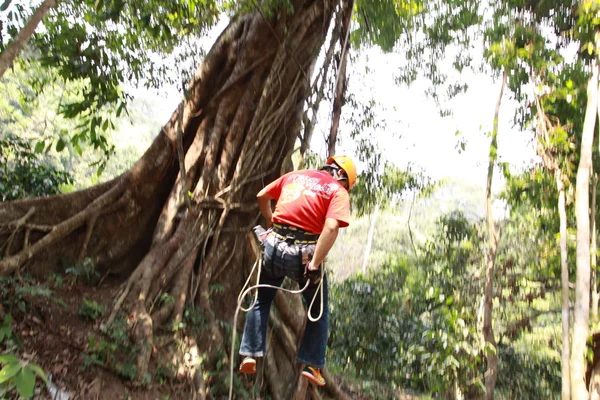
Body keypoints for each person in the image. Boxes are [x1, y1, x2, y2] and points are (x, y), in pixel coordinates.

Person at [238, 155, 357, 387]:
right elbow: (331, 227)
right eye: (347, 185)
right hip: (303, 257)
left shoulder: (297, 176)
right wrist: (314, 265)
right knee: (318, 308)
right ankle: (313, 364)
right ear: (342, 177)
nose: (345, 189)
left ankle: (250, 353)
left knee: (261, 299)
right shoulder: (337, 192)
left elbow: (262, 196)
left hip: (273, 248)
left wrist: (271, 222)